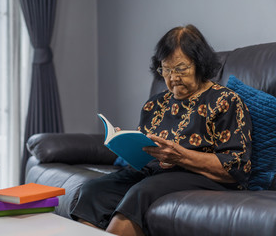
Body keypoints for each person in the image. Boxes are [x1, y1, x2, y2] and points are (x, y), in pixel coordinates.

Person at [70, 24, 252, 236]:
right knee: (93, 190)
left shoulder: (225, 101)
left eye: (180, 69)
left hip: (202, 177)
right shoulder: (154, 105)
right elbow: (144, 156)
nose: (172, 78)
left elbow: (237, 167)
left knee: (141, 192)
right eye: (166, 69)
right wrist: (126, 144)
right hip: (154, 173)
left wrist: (180, 156)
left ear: (200, 64)